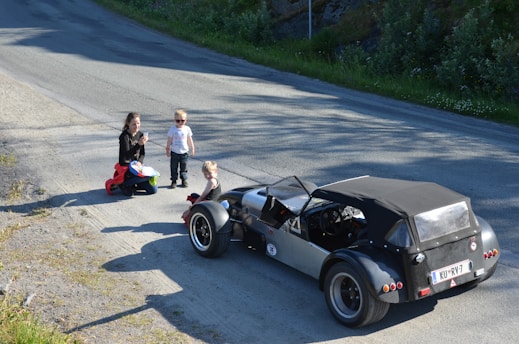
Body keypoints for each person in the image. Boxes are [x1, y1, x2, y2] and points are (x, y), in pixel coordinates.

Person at [119, 112, 157, 196]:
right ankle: (125, 184)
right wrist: (138, 144)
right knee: (145, 176)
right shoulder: (124, 136)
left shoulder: (140, 134)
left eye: (138, 123)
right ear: (128, 124)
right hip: (127, 165)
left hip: (137, 165)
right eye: (134, 124)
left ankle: (136, 183)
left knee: (153, 190)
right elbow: (127, 155)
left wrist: (140, 161)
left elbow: (142, 153)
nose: (136, 126)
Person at [166, 109, 195, 188]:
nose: (180, 123)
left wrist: (192, 148)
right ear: (174, 120)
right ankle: (174, 181)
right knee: (173, 167)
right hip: (174, 152)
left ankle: (184, 180)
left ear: (186, 120)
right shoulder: (172, 129)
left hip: (184, 153)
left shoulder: (187, 129)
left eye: (182, 121)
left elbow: (189, 139)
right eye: (178, 121)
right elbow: (169, 140)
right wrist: (167, 149)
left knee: (184, 167)